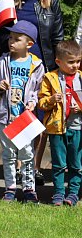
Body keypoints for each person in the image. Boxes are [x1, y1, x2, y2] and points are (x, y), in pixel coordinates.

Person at [0, 0, 65, 185]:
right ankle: (16, 167)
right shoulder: (10, 4)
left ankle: (32, 167)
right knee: (16, 113)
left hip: (42, 68)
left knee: (37, 120)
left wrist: (56, 68)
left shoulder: (51, 5)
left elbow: (57, 38)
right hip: (15, 67)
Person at [0, 21, 44, 203]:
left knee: (27, 153)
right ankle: (10, 187)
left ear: (29, 44)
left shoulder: (36, 65)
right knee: (8, 154)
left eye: (16, 39)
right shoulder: (3, 62)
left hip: (24, 118)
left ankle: (29, 188)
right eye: (10, 38)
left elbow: (38, 90)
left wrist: (32, 102)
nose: (11, 42)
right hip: (6, 116)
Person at [36, 40, 82, 206]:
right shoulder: (50, 78)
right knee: (58, 164)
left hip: (77, 128)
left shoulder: (81, 78)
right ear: (58, 62)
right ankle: (58, 193)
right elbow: (41, 102)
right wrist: (51, 100)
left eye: (78, 61)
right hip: (57, 128)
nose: (75, 65)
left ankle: (73, 193)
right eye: (71, 62)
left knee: (76, 164)